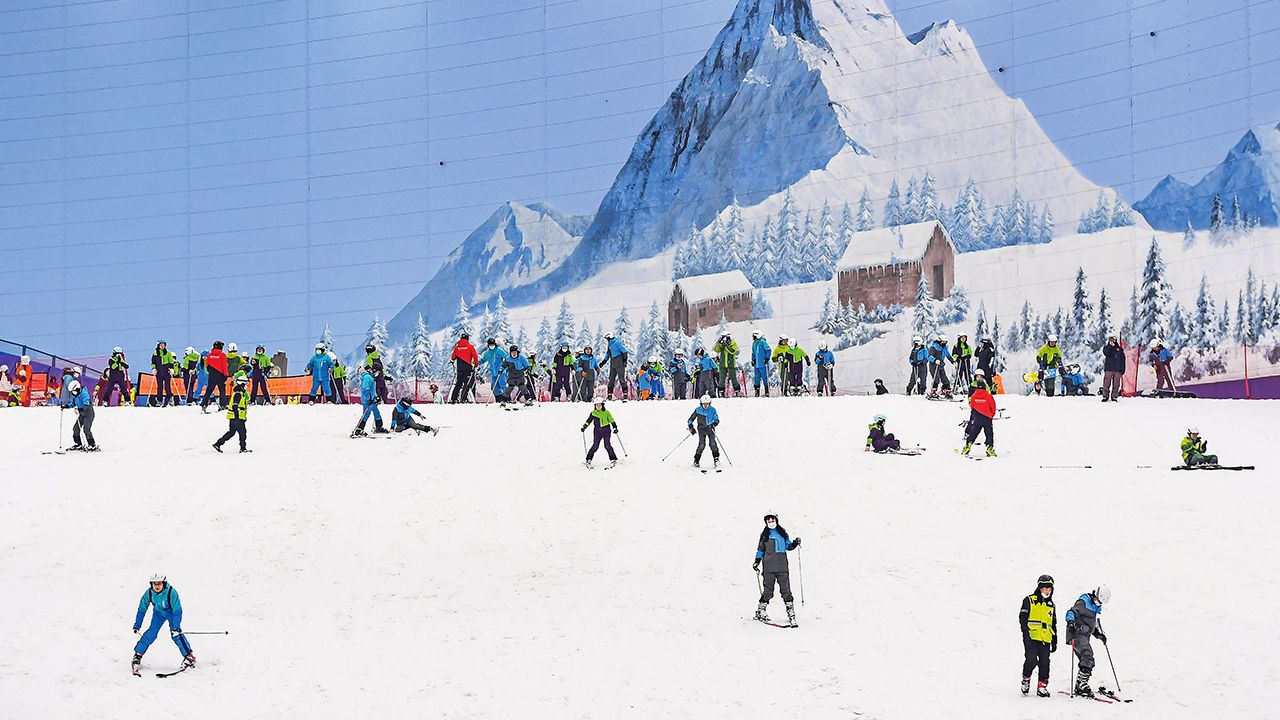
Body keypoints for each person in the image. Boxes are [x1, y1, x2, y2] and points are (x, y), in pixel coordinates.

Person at [131, 573, 195, 675]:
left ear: (164, 583)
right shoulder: (149, 593)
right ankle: (138, 655)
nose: (156, 586)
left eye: (159, 584)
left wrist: (176, 627)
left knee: (176, 635)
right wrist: (137, 625)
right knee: (151, 634)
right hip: (158, 613)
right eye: (154, 584)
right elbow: (142, 609)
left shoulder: (171, 592)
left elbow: (178, 611)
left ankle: (189, 657)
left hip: (172, 613)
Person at [752, 514, 801, 627]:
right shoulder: (764, 535)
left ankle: (791, 613)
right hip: (768, 567)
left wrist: (794, 543)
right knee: (768, 590)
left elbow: (788, 546)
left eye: (772, 520)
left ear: (776, 520)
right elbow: (760, 549)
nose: (770, 522)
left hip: (782, 567)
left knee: (786, 590)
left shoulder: (782, 533)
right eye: (768, 520)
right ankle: (761, 610)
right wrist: (757, 561)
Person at [1064, 585, 1112, 698]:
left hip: (1084, 636)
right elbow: (1071, 612)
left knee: (1086, 659)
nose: (1099, 604)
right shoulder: (1084, 601)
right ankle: (1081, 685)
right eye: (1098, 601)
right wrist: (1070, 622)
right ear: (1095, 595)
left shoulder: (1095, 607)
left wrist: (1099, 634)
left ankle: (1080, 683)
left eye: (1101, 603)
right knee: (1087, 655)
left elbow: (1090, 625)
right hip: (1076, 634)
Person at [1019, 574, 1058, 698]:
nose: (1047, 591)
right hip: (1031, 636)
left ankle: (1042, 686)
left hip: (1045, 638)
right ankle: (1026, 679)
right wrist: (1026, 633)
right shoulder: (1029, 600)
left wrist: (1054, 639)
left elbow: (1053, 623)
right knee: (1031, 660)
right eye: (1045, 588)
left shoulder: (1051, 605)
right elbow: (1022, 618)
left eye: (1050, 589)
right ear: (1040, 588)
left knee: (1045, 662)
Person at [213, 375, 250, 453]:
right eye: (246, 384)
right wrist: (237, 417)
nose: (246, 386)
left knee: (231, 432)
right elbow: (235, 405)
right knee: (242, 432)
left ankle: (218, 443)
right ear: (242, 384)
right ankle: (243, 448)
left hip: (234, 417)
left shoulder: (239, 393)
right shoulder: (238, 394)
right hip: (236, 417)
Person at [351, 365, 389, 437]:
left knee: (376, 412)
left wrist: (376, 397)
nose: (377, 374)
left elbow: (372, 390)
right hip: (367, 400)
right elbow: (365, 389)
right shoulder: (367, 377)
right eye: (377, 372)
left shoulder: (371, 377)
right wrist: (369, 399)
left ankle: (379, 427)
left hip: (372, 400)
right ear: (374, 370)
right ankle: (358, 429)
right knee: (366, 414)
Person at [581, 396, 619, 468]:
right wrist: (584, 427)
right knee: (595, 446)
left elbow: (612, 420)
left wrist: (615, 427)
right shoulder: (593, 413)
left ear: (602, 405)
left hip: (606, 431)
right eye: (597, 405)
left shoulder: (606, 412)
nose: (598, 407)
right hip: (597, 432)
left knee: (607, 445)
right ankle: (588, 459)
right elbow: (588, 421)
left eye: (600, 405)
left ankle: (613, 458)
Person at [65, 369, 98, 451]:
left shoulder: (84, 394)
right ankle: (78, 444)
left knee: (86, 430)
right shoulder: (76, 395)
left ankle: (92, 445)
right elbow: (73, 404)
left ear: (77, 388)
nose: (73, 393)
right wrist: (66, 406)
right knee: (76, 428)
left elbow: (86, 404)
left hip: (88, 413)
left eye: (73, 391)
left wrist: (80, 409)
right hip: (82, 414)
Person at [961, 385, 997, 456]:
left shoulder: (974, 396)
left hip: (977, 417)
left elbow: (972, 406)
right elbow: (993, 407)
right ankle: (989, 448)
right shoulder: (989, 396)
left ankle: (968, 445)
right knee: (989, 434)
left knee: (974, 433)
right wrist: (991, 415)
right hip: (987, 418)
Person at [687, 394, 720, 469]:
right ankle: (696, 460)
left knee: (712, 444)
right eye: (704, 404)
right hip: (701, 429)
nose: (705, 405)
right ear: (701, 403)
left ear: (709, 403)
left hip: (710, 429)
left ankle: (716, 459)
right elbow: (691, 419)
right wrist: (691, 426)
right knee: (702, 445)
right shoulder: (698, 410)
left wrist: (714, 423)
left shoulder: (712, 410)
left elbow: (716, 418)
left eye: (707, 404)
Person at [449, 333, 479, 404]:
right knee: (467, 383)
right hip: (468, 367)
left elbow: (453, 357)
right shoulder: (470, 346)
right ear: (467, 339)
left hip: (459, 368)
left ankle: (454, 398)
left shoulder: (457, 347)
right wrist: (476, 365)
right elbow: (475, 356)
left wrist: (453, 361)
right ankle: (464, 398)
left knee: (458, 383)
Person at [200, 341, 230, 412]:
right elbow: (224, 366)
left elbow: (207, 364)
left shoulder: (210, 355)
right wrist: (226, 375)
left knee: (209, 390)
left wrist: (210, 371)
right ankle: (223, 405)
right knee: (222, 391)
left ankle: (204, 404)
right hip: (220, 375)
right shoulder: (222, 355)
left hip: (212, 374)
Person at [601, 332, 629, 400]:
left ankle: (625, 394)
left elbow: (624, 351)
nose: (607, 340)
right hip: (613, 362)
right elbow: (608, 353)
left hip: (619, 362)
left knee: (621, 379)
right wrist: (603, 361)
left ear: (610, 337)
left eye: (607, 338)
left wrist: (624, 360)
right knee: (611, 379)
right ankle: (609, 395)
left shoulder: (617, 342)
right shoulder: (610, 344)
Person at [151, 341, 178, 407]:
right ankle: (159, 401)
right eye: (161, 345)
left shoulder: (168, 353)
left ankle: (170, 399)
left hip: (166, 371)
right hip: (159, 372)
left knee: (167, 386)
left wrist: (171, 368)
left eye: (163, 345)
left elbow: (171, 361)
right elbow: (153, 362)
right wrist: (154, 368)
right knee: (159, 387)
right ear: (158, 346)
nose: (162, 346)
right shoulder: (155, 354)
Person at [927, 333, 953, 398]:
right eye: (943, 342)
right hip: (934, 366)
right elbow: (929, 356)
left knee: (945, 379)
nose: (944, 343)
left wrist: (953, 361)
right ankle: (933, 392)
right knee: (936, 379)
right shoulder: (934, 347)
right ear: (939, 341)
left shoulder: (944, 348)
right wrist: (935, 360)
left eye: (945, 342)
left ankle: (946, 391)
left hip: (940, 365)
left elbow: (948, 355)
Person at [1101, 335, 1125, 402]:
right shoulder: (1106, 348)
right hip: (1109, 368)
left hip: (1117, 369)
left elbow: (1123, 359)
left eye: (1113, 340)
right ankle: (1105, 396)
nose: (1112, 341)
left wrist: (1122, 369)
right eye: (1110, 340)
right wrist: (1110, 346)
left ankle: (1114, 397)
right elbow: (1106, 353)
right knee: (1106, 383)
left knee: (1116, 384)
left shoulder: (1119, 349)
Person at [751, 331, 771, 397]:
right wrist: (753, 360)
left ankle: (767, 391)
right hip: (756, 365)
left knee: (765, 378)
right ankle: (757, 392)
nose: (753, 337)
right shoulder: (754, 343)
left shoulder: (763, 342)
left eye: (754, 336)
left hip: (763, 364)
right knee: (756, 378)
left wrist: (767, 358)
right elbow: (753, 353)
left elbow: (768, 350)